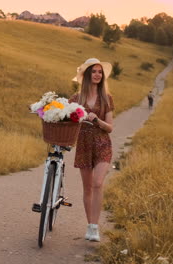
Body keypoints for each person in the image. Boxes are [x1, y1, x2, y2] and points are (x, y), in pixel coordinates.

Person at [69, 58, 114, 242]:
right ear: (87, 75)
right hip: (84, 145)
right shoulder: (76, 99)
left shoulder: (106, 98)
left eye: (100, 72)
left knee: (97, 183)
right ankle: (90, 226)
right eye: (94, 71)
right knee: (87, 187)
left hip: (102, 143)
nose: (97, 74)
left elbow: (110, 127)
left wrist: (97, 120)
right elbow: (65, 116)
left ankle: (95, 227)